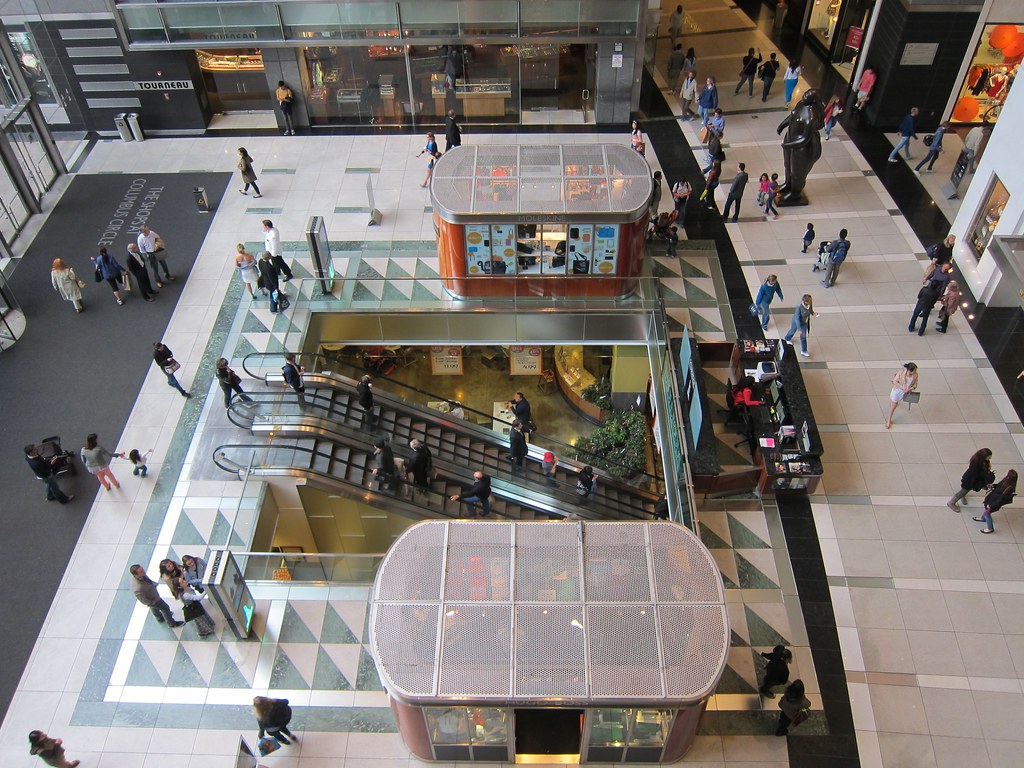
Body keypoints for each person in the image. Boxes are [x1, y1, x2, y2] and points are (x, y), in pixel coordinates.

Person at [947, 448, 995, 512]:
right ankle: (951, 503)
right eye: (989, 457)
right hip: (970, 480)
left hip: (974, 480)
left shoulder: (983, 461)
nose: (989, 458)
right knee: (963, 491)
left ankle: (962, 496)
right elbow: (975, 474)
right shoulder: (975, 462)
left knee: (965, 491)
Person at [973, 470, 1017, 534]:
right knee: (986, 510)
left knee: (987, 513)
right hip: (992, 499)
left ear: (1009, 477)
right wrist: (993, 486)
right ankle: (983, 518)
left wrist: (991, 506)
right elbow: (999, 486)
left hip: (994, 503)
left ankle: (990, 528)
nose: (1005, 473)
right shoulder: (1006, 482)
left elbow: (1001, 499)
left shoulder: (1010, 488)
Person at [137, 223, 172, 288]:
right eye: (146, 230)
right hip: (150, 253)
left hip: (157, 250)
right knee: (155, 268)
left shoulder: (152, 233)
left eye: (148, 229)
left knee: (164, 264)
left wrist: (157, 244)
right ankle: (158, 281)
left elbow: (158, 237)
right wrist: (147, 255)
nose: (148, 231)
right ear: (142, 232)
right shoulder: (140, 239)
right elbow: (141, 249)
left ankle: (167, 275)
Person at [885, 362, 918, 429]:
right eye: (914, 371)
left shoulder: (915, 375)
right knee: (894, 405)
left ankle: (892, 403)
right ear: (909, 370)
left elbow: (915, 384)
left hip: (906, 392)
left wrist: (910, 389)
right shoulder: (901, 373)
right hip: (897, 391)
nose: (915, 372)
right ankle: (889, 420)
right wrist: (903, 388)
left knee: (895, 403)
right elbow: (895, 381)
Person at [262, 219, 293, 284]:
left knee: (281, 263)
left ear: (267, 226)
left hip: (274, 254)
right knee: (276, 264)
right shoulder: (272, 230)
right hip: (272, 252)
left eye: (264, 226)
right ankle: (277, 271)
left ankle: (288, 274)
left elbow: (274, 246)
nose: (263, 228)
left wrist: (273, 255)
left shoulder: (273, 236)